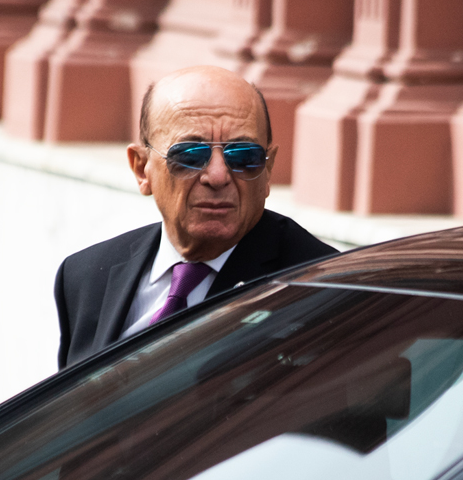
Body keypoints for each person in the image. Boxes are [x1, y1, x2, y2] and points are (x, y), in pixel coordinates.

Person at [54, 65, 338, 369]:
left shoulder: (321, 288)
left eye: (244, 157)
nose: (217, 176)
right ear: (141, 168)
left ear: (267, 171)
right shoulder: (86, 276)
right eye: (190, 155)